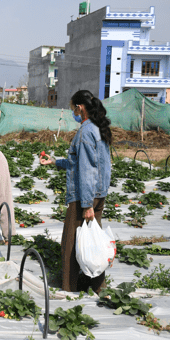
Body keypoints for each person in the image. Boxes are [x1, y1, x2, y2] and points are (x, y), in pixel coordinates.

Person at [39, 90, 112, 294]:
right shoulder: (99, 129)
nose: (74, 113)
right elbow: (79, 163)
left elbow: (88, 169)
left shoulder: (86, 132)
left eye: (73, 109)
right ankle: (97, 286)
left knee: (71, 244)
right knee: (93, 242)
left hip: (84, 196)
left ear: (80, 108)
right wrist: (54, 161)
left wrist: (86, 204)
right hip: (98, 194)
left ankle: (69, 288)